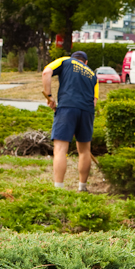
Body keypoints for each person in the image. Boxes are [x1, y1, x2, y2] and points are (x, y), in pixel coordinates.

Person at [42, 50, 98, 192]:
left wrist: (49, 96)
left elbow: (46, 73)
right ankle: (82, 187)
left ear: (74, 58)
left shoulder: (66, 61)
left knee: (60, 148)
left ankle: (59, 188)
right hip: (87, 112)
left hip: (67, 108)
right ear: (85, 62)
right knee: (84, 151)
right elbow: (94, 101)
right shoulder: (92, 74)